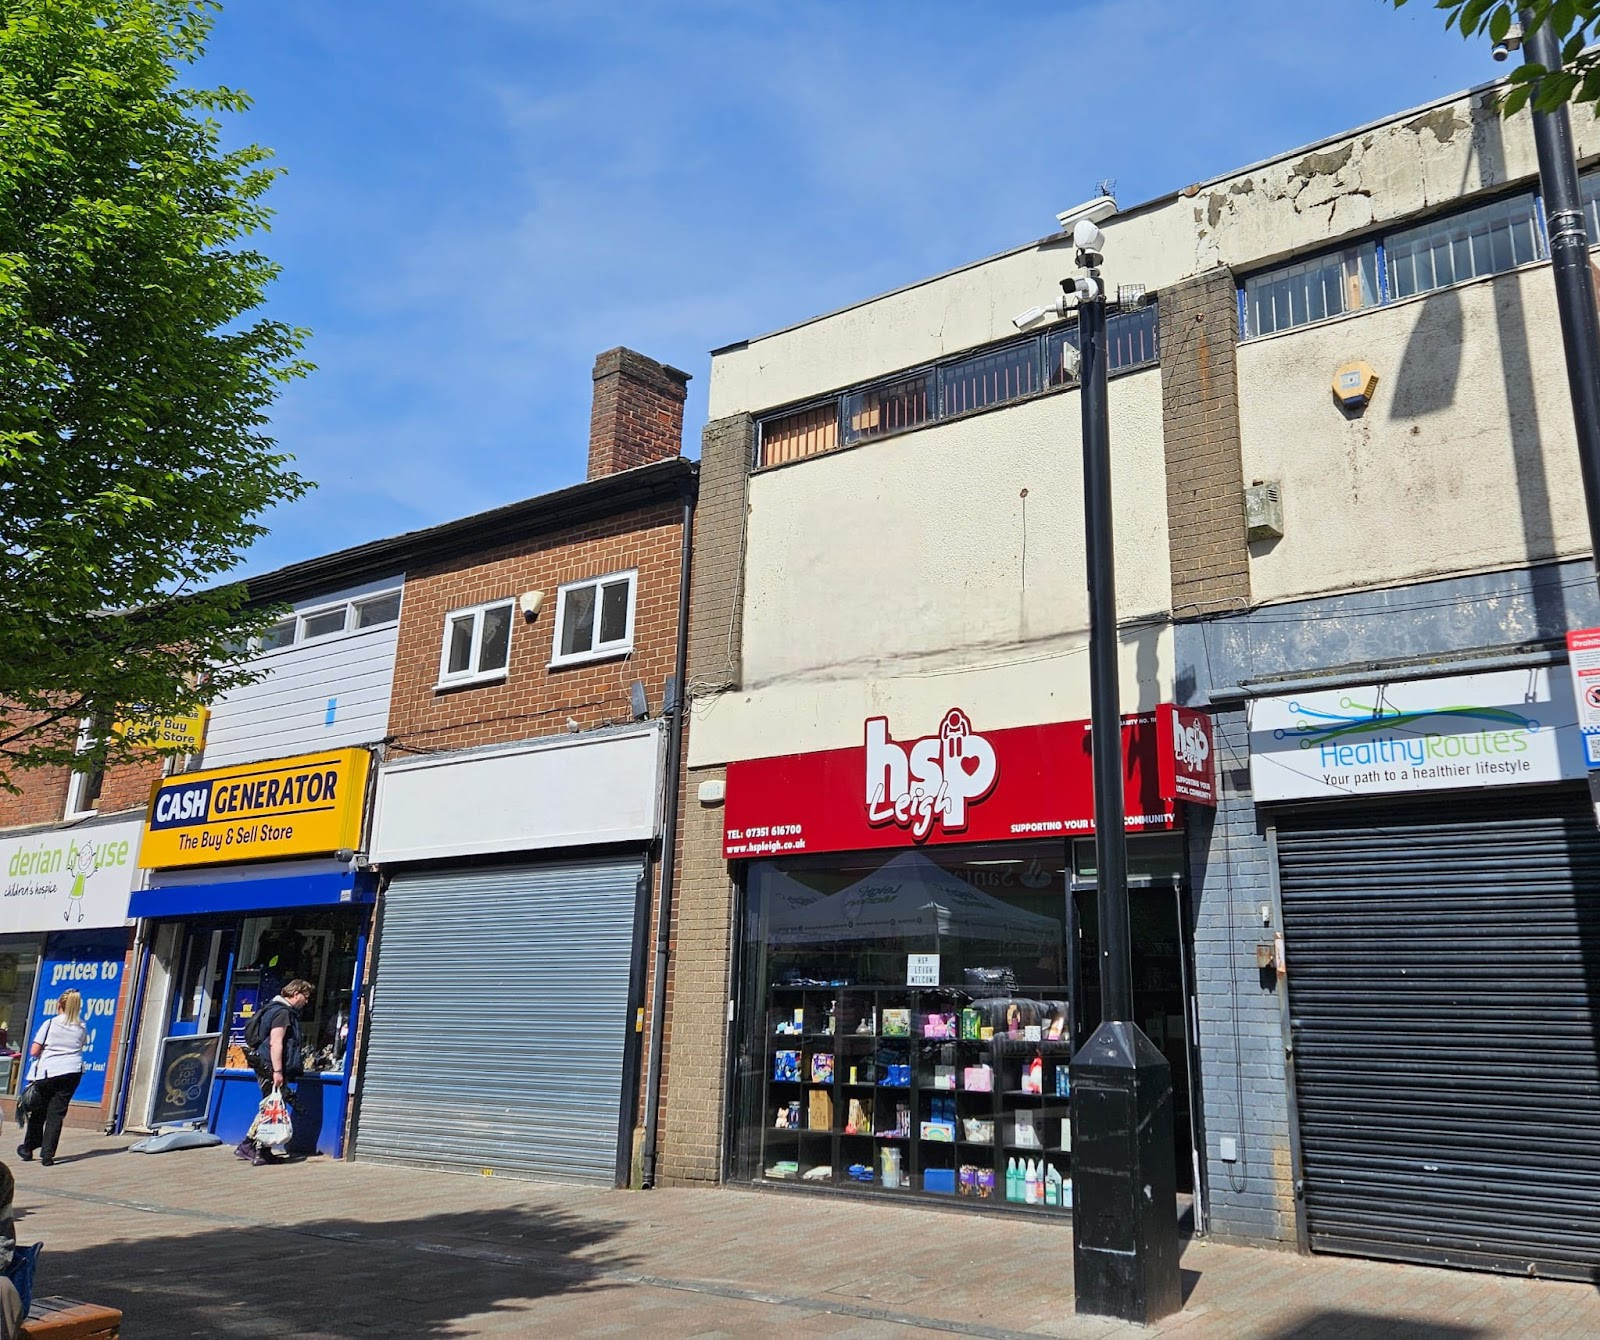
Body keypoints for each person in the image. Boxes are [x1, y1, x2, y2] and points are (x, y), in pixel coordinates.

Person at [235, 978, 312, 1167]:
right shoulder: (282, 1013)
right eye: (306, 996)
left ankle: (256, 1147)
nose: (306, 1001)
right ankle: (256, 1148)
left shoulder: (273, 1008)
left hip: (265, 1064)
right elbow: (275, 1043)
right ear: (296, 994)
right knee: (270, 1107)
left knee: (270, 1105)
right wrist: (277, 1071)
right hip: (270, 1067)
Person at [16, 990, 88, 1167]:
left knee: (38, 1110)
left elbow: (34, 1050)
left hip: (48, 1072)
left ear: (59, 1006)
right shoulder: (81, 1026)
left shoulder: (50, 1023)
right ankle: (47, 1155)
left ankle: (29, 1147)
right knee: (56, 1114)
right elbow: (81, 1045)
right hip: (72, 1071)